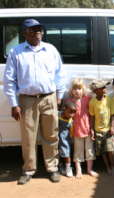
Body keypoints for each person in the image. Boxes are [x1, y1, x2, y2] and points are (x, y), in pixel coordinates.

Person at [3, 18, 65, 185]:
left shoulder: (50, 50)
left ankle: (52, 168)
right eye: (32, 31)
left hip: (49, 98)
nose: (37, 33)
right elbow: (9, 80)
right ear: (25, 34)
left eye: (39, 30)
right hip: (26, 101)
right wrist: (14, 104)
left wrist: (59, 96)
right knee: (28, 137)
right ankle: (29, 170)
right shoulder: (16, 52)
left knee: (51, 135)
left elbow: (59, 74)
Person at [64, 78, 97, 178]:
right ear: (71, 90)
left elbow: (91, 114)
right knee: (78, 151)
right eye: (75, 88)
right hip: (76, 130)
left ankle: (89, 169)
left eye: (79, 88)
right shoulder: (69, 101)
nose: (77, 91)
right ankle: (79, 170)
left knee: (89, 150)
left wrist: (92, 128)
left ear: (83, 90)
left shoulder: (87, 99)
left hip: (87, 129)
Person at [89, 79, 114, 175]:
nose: (105, 89)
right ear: (96, 91)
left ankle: (113, 166)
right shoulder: (92, 102)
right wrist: (92, 129)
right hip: (98, 131)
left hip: (108, 130)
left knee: (111, 150)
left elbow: (113, 114)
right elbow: (92, 117)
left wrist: (112, 126)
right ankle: (108, 167)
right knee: (103, 151)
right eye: (102, 87)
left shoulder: (109, 99)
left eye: (105, 87)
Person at [58, 101, 77, 177]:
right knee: (57, 155)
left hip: (65, 140)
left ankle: (68, 168)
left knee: (66, 154)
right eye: (70, 112)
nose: (72, 115)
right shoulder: (58, 115)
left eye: (74, 113)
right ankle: (60, 167)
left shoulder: (70, 121)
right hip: (56, 139)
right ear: (64, 109)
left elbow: (71, 132)